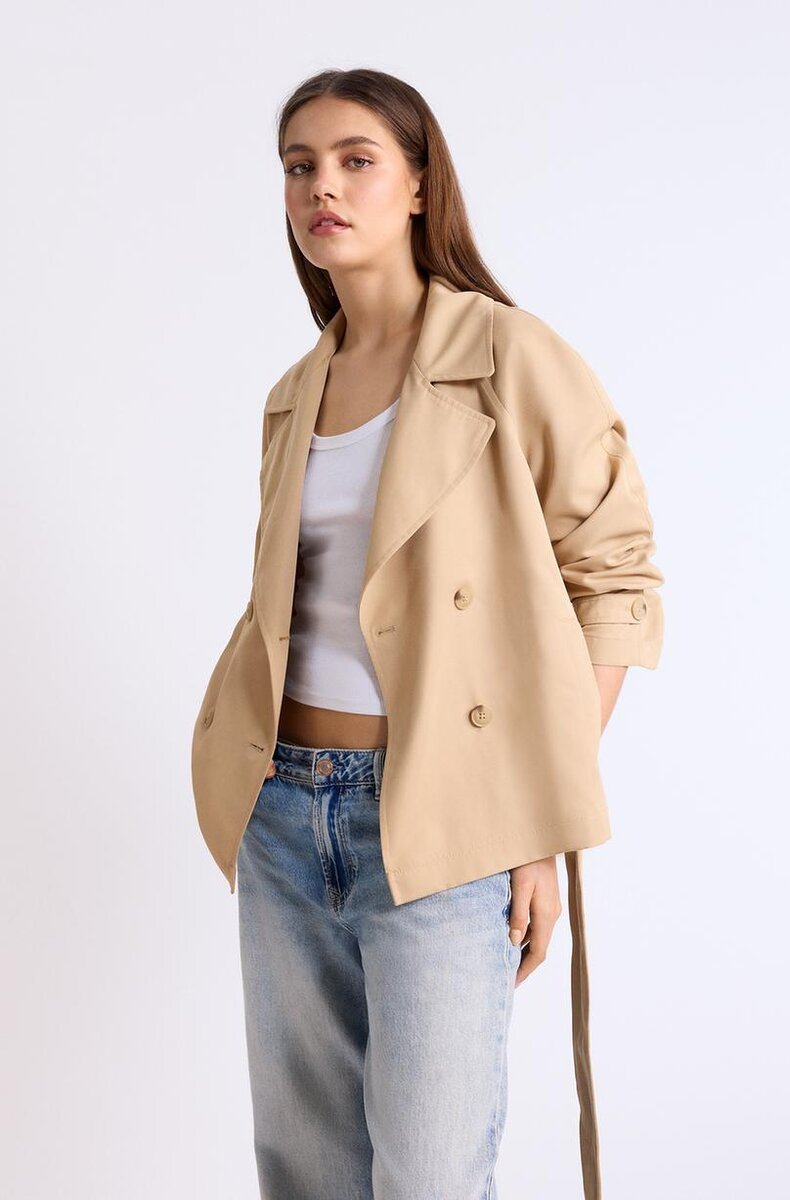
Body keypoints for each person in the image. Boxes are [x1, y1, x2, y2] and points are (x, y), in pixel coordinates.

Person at [191, 66, 666, 1200]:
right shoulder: (295, 391)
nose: (322, 187)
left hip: (446, 817)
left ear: (417, 185)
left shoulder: (507, 354)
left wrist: (533, 814)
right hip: (280, 810)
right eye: (300, 166)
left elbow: (616, 583)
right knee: (305, 1173)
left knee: (432, 1176)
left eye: (356, 160)